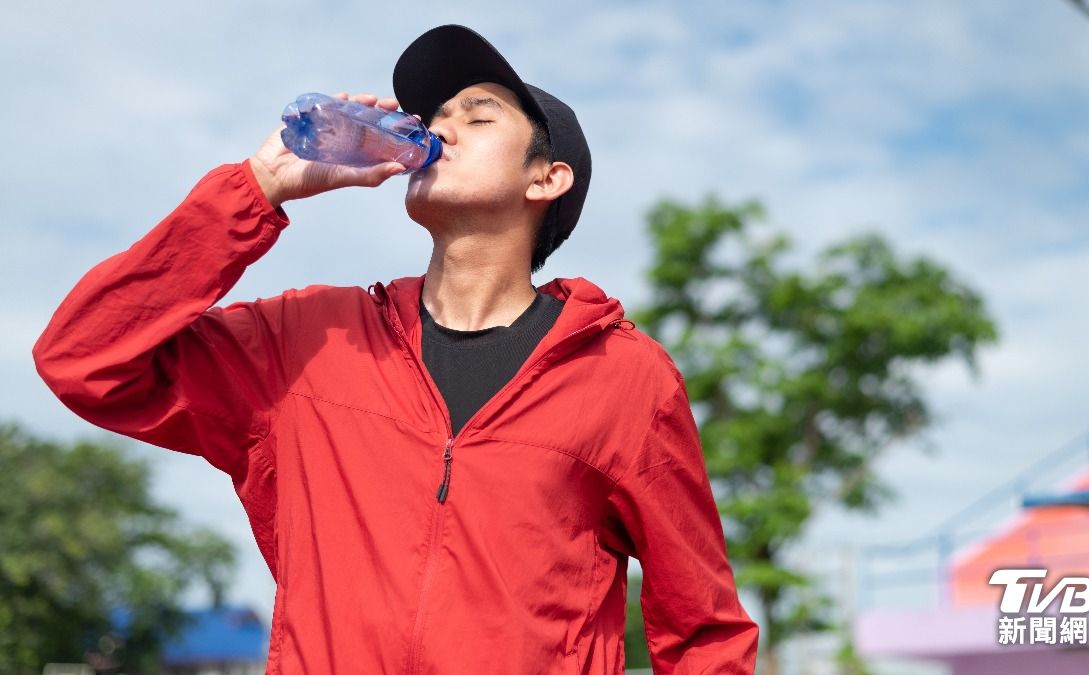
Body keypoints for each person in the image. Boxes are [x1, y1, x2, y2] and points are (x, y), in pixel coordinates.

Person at [32, 24, 759, 674]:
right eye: (437, 117)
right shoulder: (307, 340)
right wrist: (256, 189)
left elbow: (704, 636)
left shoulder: (625, 378)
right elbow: (83, 357)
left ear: (547, 178)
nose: (443, 127)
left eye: (478, 115)